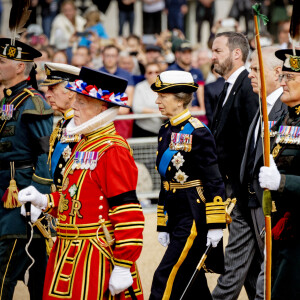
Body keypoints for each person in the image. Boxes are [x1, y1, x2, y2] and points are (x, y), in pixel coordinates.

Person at [19, 67, 145, 299]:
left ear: (103, 108)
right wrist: (44, 200)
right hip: (69, 249)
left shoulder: (112, 148)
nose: (75, 106)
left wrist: (124, 263)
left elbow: (127, 210)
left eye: (83, 102)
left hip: (95, 254)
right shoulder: (85, 143)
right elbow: (74, 197)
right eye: (76, 100)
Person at [149, 70, 226, 299]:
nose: (157, 101)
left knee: (166, 275)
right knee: (192, 283)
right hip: (175, 213)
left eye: (163, 96)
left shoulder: (198, 132)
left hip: (193, 215)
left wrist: (215, 223)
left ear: (181, 98)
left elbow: (213, 179)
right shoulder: (165, 131)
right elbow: (166, 181)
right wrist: (163, 225)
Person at [0, 38, 53, 300]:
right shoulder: (6, 101)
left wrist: (37, 196)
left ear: (20, 67)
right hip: (3, 193)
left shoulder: (34, 103)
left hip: (18, 197)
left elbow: (46, 154)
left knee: (3, 272)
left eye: (2, 62)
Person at [210, 31, 259, 300]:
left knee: (238, 260)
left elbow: (252, 144)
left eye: (218, 50)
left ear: (236, 53)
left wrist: (242, 188)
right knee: (251, 266)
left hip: (244, 191)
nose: (212, 56)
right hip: (232, 189)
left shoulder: (247, 87)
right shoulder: (227, 88)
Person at [238, 46, 287, 300]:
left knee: (270, 272)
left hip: (273, 205)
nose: (250, 74)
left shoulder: (285, 108)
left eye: (256, 69)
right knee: (260, 270)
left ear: (277, 72)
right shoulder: (263, 105)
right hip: (252, 203)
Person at [258, 49, 300, 300]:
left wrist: (282, 182)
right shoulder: (286, 117)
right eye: (282, 76)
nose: (282, 82)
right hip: (280, 225)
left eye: (289, 78)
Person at [40, 62, 81, 191]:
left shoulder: (81, 124)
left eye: (52, 88)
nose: (47, 95)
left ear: (70, 91)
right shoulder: (64, 122)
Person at [168, 41, 205, 113]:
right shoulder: (171, 71)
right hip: (176, 111)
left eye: (189, 52)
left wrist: (202, 108)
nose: (187, 55)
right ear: (177, 54)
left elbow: (200, 90)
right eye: (184, 53)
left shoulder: (197, 71)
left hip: (195, 111)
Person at [132, 62, 162, 137]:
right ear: (145, 74)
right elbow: (137, 108)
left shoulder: (165, 87)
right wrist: (157, 112)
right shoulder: (140, 87)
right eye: (150, 72)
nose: (153, 74)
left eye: (156, 72)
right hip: (143, 130)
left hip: (162, 130)